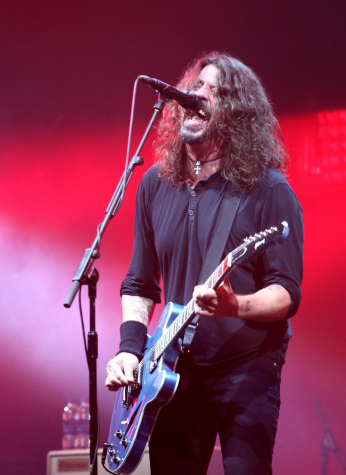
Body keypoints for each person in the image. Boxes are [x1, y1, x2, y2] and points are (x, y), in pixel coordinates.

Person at [104, 52, 304, 474]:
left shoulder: (267, 189)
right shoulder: (156, 184)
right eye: (195, 87)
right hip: (174, 370)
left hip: (246, 366)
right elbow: (140, 284)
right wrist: (129, 350)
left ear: (237, 113)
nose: (196, 95)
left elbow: (286, 291)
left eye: (213, 90)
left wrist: (236, 306)